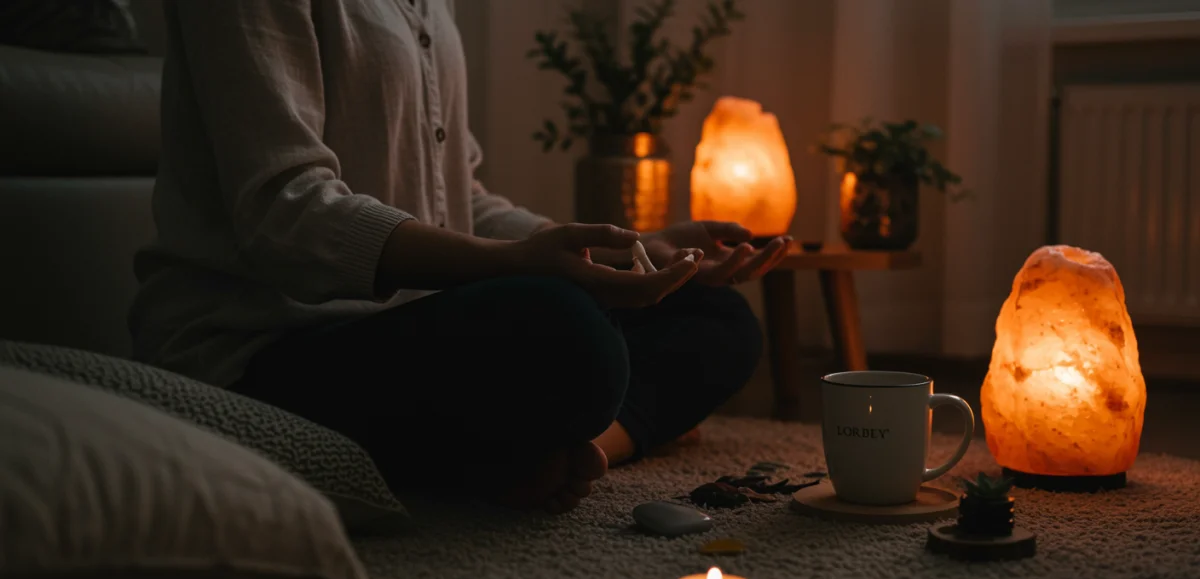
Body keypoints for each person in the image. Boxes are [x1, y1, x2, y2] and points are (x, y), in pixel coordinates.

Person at [129, 0, 792, 514]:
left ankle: (582, 452)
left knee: (716, 315)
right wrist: (515, 267)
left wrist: (637, 253)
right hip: (265, 349)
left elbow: (460, 200)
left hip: (408, 328)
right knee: (569, 335)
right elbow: (284, 209)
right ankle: (510, 454)